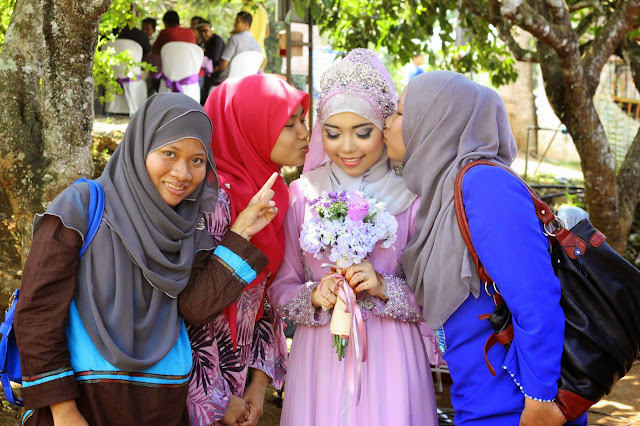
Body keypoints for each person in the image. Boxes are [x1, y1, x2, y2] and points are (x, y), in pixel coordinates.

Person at [14, 93, 279, 425]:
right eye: (169, 153)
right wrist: (63, 410)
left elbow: (194, 308)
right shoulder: (80, 207)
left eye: (197, 160)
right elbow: (38, 313)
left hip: (162, 406)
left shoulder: (189, 226)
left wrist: (241, 233)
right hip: (84, 405)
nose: (182, 173)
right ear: (141, 147)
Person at [383, 70, 588, 426]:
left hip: (520, 409)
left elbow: (536, 299)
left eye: (401, 112)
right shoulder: (442, 198)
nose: (387, 122)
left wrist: (540, 401)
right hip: (479, 402)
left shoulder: (485, 186)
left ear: (435, 124)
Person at [267, 48, 440, 426]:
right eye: (333, 133)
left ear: (385, 128)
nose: (346, 147)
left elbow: (433, 295)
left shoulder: (412, 197)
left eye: (363, 133)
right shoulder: (303, 194)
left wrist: (383, 286)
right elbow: (280, 288)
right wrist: (315, 295)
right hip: (319, 357)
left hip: (392, 357)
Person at [186, 74, 310, 426]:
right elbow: (183, 311)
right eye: (290, 124)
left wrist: (258, 383)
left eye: (303, 120)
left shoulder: (273, 192)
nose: (305, 133)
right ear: (248, 128)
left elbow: (264, 298)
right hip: (197, 388)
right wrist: (217, 399)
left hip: (239, 378)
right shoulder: (209, 200)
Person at [213, 11, 262, 81]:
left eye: (237, 22)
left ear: (246, 25)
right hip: (246, 81)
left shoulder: (234, 39)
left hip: (228, 80)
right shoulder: (257, 45)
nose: (234, 24)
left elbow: (223, 65)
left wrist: (213, 70)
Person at [196, 20, 226, 103]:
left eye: (205, 31)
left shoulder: (216, 40)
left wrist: (203, 52)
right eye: (200, 31)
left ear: (211, 30)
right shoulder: (202, 42)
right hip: (209, 72)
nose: (203, 34)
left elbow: (215, 57)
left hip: (217, 73)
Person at [241, 0, 269, 70]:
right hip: (261, 54)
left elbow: (241, 29)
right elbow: (266, 33)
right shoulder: (263, 10)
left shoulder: (246, 7)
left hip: (248, 54)